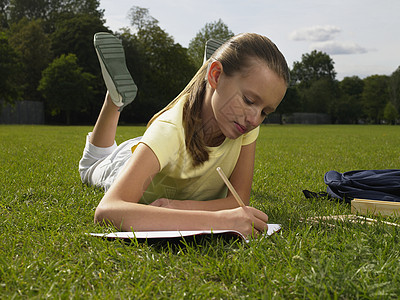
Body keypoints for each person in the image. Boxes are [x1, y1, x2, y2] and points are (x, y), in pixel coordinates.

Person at [79, 32, 289, 237]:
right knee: (91, 166)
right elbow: (108, 210)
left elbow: (238, 201)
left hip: (169, 149)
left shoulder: (243, 124)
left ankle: (207, 86)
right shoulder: (168, 130)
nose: (254, 119)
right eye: (249, 101)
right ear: (216, 76)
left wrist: (178, 207)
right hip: (129, 160)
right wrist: (220, 221)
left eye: (265, 112)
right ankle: (114, 100)